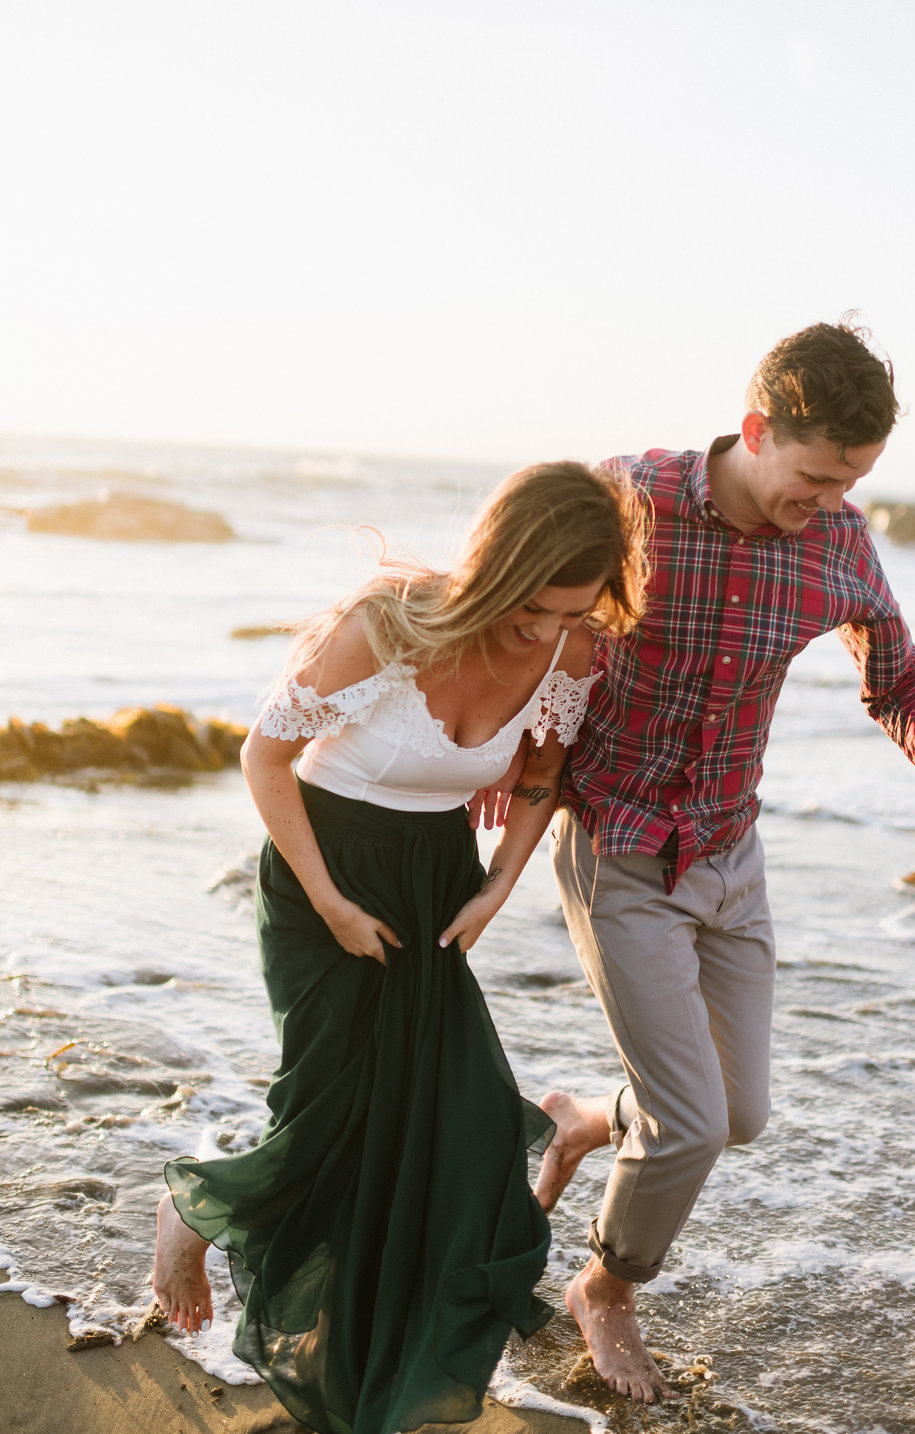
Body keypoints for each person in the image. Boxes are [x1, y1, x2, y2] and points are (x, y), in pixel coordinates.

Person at [530, 322, 915, 1405]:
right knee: (691, 1120)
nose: (830, 499)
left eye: (852, 480)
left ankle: (584, 1119)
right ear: (755, 430)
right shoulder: (626, 496)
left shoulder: (836, 540)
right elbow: (522, 606)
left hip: (730, 851)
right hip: (619, 846)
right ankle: (605, 1286)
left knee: (735, 1114)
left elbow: (898, 670)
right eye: (816, 474)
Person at [152, 460, 647, 1434]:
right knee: (330, 1101)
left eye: (571, 612)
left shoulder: (571, 649)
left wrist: (498, 885)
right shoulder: (380, 626)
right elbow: (264, 756)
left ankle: (359, 1342)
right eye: (534, 609)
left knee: (437, 1114)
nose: (547, 632)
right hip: (321, 865)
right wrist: (331, 901)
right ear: (497, 565)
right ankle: (192, 1211)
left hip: (435, 878)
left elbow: (542, 777)